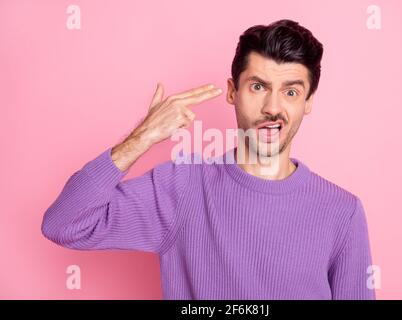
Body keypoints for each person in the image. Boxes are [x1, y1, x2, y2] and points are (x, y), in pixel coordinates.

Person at [41, 19, 375, 300]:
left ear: (308, 101)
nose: (273, 107)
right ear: (232, 91)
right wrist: (142, 137)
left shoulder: (341, 211)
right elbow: (64, 224)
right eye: (258, 87)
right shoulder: (181, 186)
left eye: (290, 92)